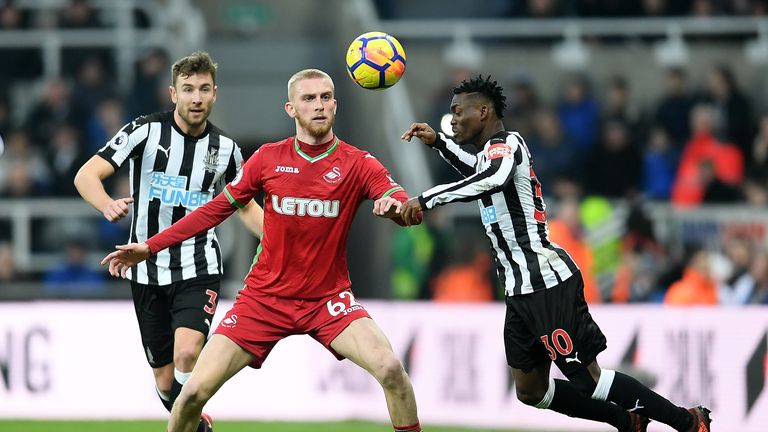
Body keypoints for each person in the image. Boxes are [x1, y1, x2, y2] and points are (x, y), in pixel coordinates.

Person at [101, 69, 424, 432]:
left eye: (325, 97)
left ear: (335, 103)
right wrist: (149, 246)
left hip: (328, 300)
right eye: (309, 98)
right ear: (291, 108)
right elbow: (214, 209)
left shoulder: (357, 163)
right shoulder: (268, 159)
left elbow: (400, 200)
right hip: (264, 299)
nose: (318, 105)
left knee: (392, 370)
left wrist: (396, 208)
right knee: (191, 395)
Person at [398, 75, 712, 432]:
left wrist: (425, 199)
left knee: (590, 380)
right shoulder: (489, 153)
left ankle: (688, 421)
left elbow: (492, 179)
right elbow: (479, 171)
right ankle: (627, 419)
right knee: (531, 391)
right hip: (519, 290)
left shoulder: (508, 144)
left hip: (546, 281)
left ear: (483, 112)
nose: (452, 118)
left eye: (458, 111)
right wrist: (438, 141)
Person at [74, 51, 264, 432]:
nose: (196, 97)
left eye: (204, 89)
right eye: (188, 89)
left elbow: (245, 207)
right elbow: (86, 175)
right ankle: (194, 424)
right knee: (164, 380)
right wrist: (107, 204)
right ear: (173, 93)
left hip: (198, 266)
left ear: (215, 95)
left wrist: (281, 240)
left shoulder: (226, 149)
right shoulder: (144, 131)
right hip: (144, 270)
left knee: (188, 351)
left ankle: (187, 421)